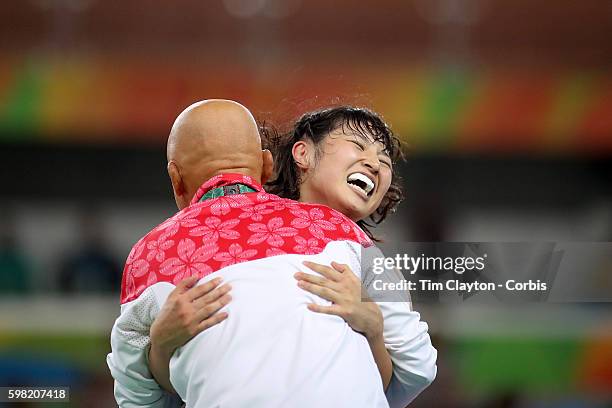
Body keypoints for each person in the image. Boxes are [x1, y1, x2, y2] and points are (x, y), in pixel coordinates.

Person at [107, 101, 436, 407]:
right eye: (359, 145)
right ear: (269, 165)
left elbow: (136, 397)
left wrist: (160, 350)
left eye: (384, 160)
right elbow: (418, 366)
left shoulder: (150, 254)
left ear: (176, 180)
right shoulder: (345, 233)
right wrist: (373, 332)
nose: (374, 164)